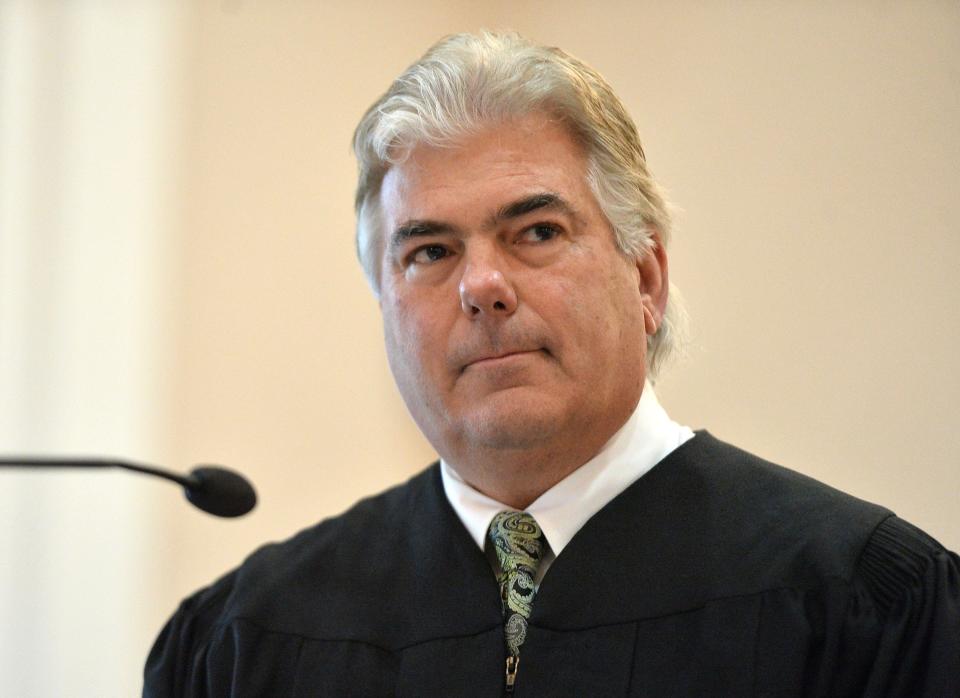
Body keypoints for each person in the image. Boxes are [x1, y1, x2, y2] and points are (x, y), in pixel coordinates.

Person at [144, 32, 959, 696]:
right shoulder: (246, 642)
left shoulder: (864, 602)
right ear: (385, 306)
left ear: (645, 278)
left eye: (536, 232)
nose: (483, 286)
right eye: (430, 250)